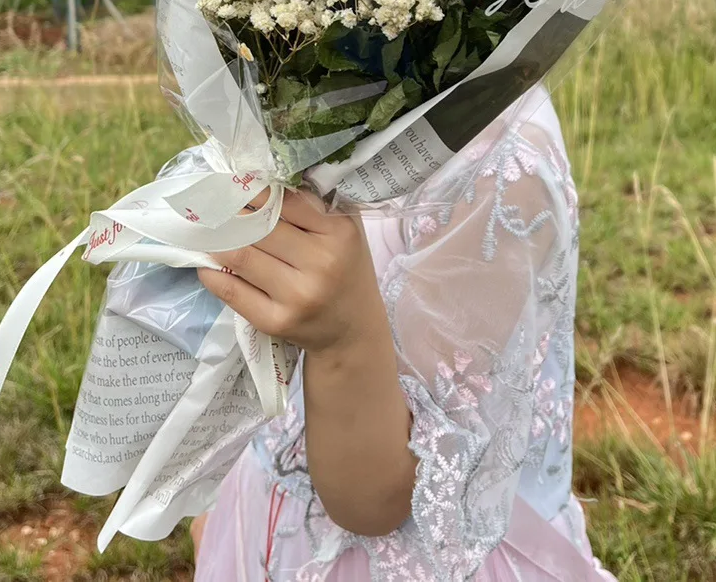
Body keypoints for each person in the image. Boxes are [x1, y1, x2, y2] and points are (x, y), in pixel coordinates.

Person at [191, 91, 615, 582]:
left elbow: (375, 502)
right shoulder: (312, 93)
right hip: (265, 502)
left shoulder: (498, 164)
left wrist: (342, 338)